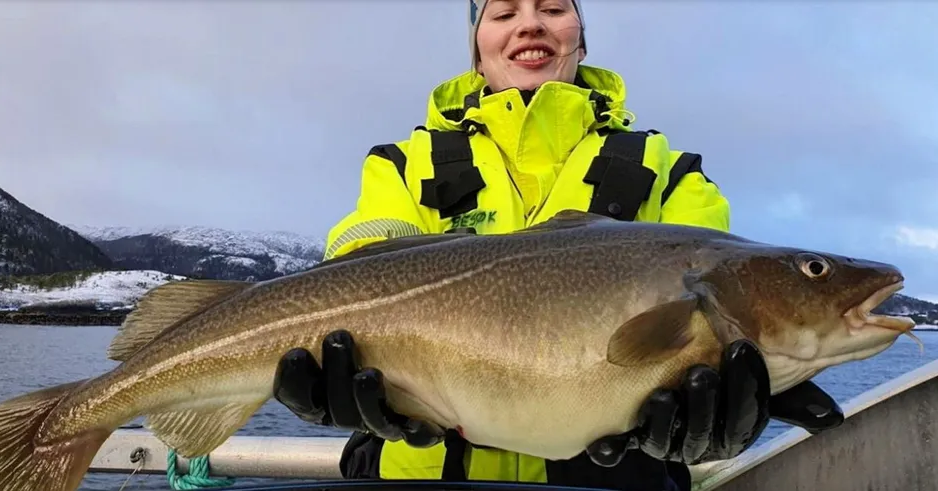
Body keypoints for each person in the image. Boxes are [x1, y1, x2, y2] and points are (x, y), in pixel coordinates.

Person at [272, 1, 846, 490]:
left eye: (553, 8)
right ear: (477, 47)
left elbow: (711, 332)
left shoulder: (668, 173)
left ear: (580, 37)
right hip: (416, 472)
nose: (530, 24)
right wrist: (326, 371)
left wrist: (717, 419)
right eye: (502, 12)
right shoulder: (403, 165)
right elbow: (357, 262)